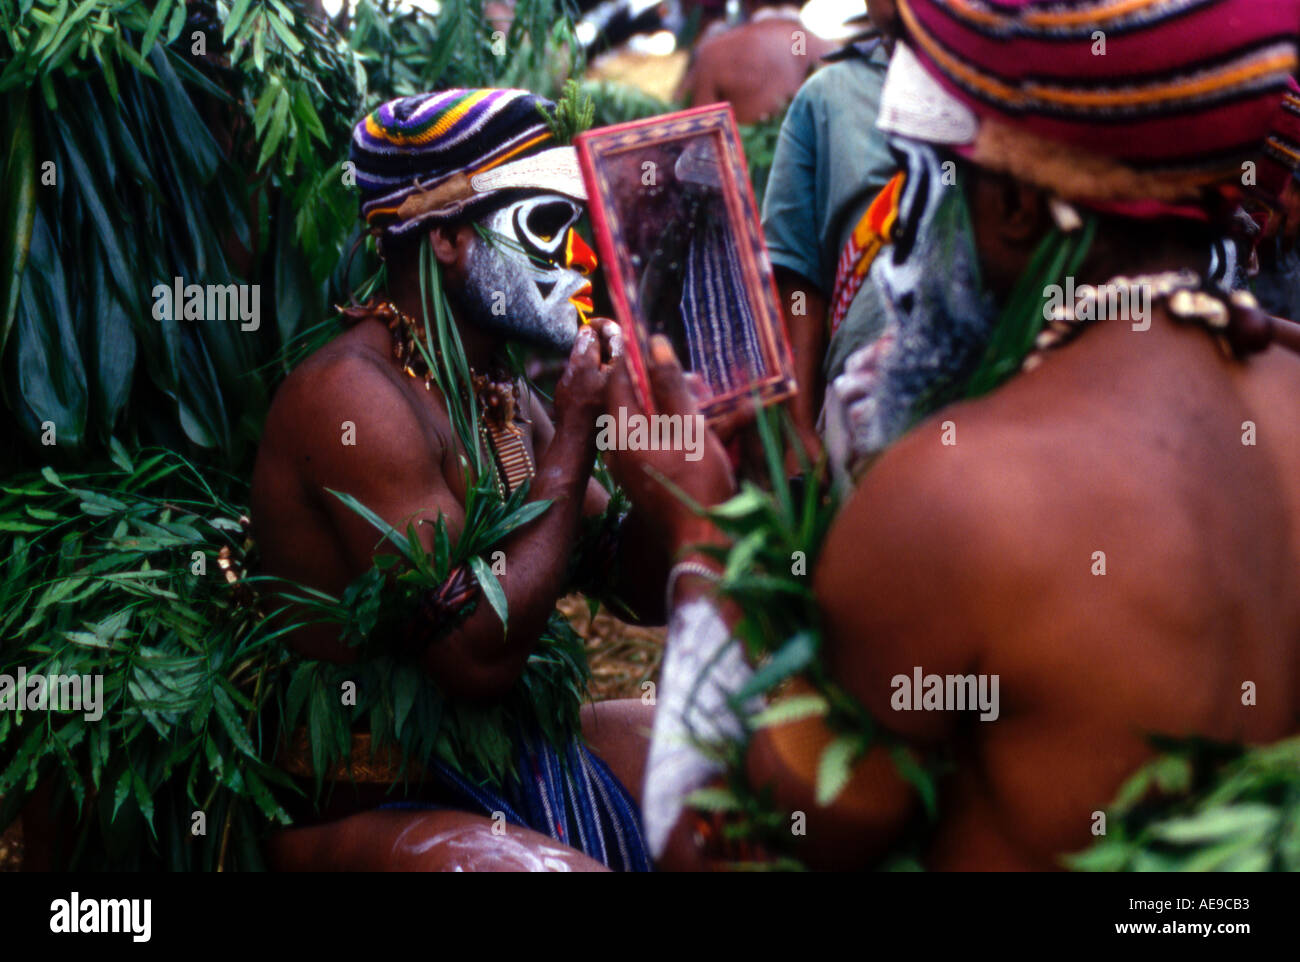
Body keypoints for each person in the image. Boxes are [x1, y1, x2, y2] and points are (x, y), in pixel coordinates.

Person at [605, 0, 1300, 870]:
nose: (904, 241)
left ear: (1011, 204)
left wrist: (700, 537)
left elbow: (725, 854)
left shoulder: (959, 497)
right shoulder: (1285, 395)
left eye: (929, 182)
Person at [251, 89, 672, 871]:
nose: (576, 261)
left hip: (496, 760)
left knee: (732, 764)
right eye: (547, 226)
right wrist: (577, 429)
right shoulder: (352, 400)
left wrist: (671, 458)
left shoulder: (498, 391)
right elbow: (475, 657)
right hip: (376, 794)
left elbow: (637, 588)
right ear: (447, 240)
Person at [759, 0, 899, 458]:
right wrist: (799, 424)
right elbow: (797, 273)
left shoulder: (1013, 82)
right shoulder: (828, 96)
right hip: (862, 412)